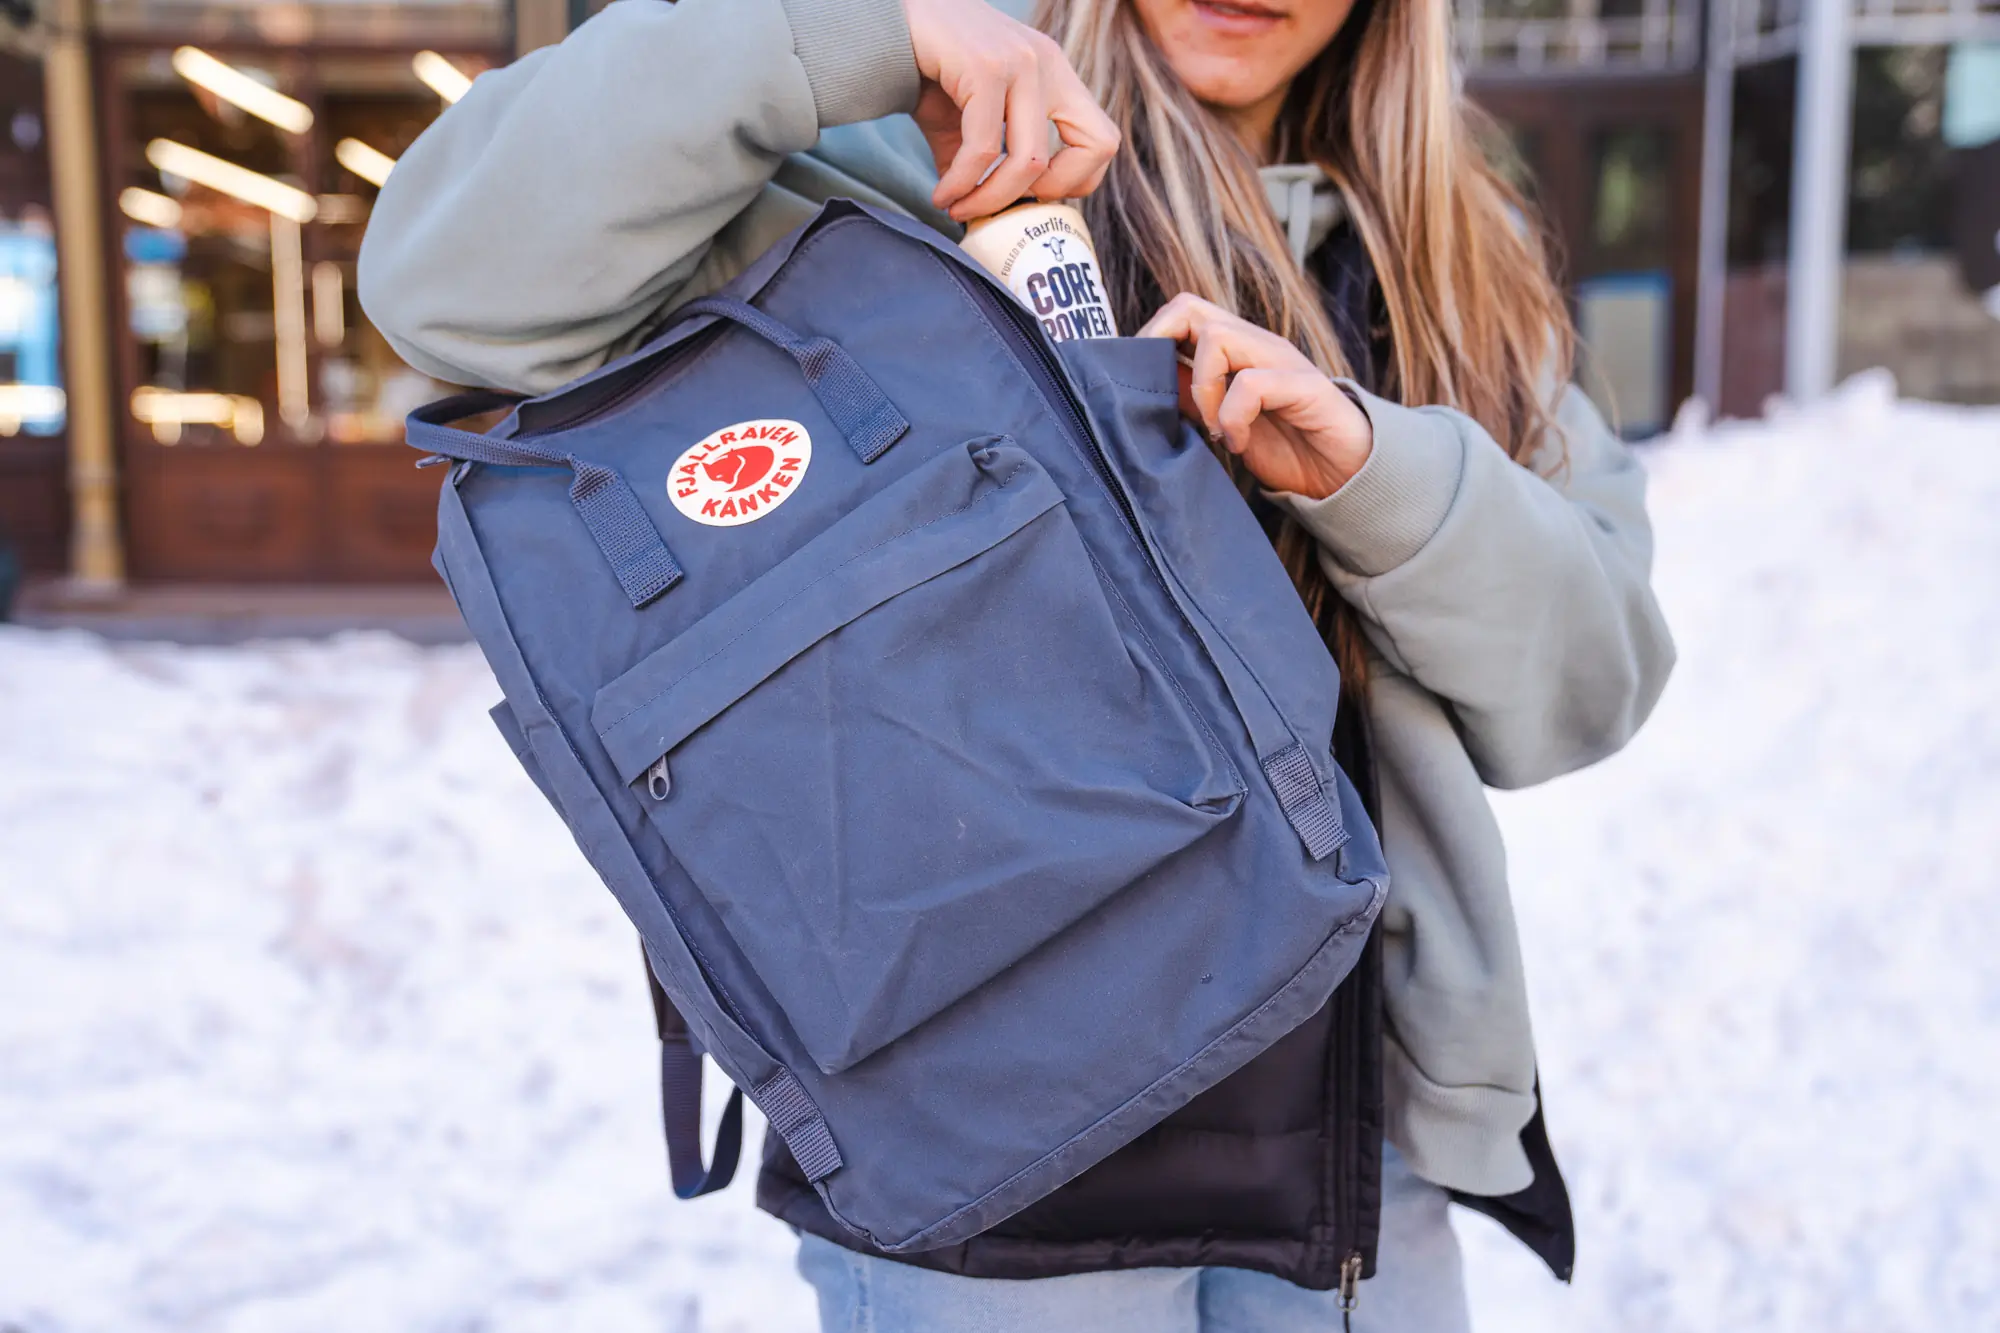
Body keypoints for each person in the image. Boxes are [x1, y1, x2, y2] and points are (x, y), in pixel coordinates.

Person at [358, 0, 1674, 1327]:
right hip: (983, 1158)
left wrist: (1377, 476)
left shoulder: (1456, 280)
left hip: (1350, 1159)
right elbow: (445, 284)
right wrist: (851, 39)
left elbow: (1588, 686)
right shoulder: (906, 172)